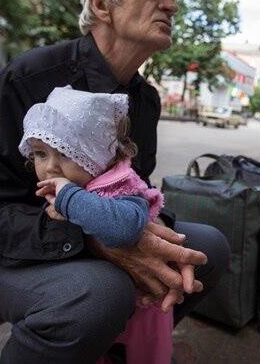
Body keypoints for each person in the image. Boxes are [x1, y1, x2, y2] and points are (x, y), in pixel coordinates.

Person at [0, 0, 230, 364]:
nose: (171, 5)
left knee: (207, 249)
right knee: (98, 296)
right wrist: (91, 238)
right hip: (2, 256)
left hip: (98, 237)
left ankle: (114, 349)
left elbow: (133, 186)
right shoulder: (30, 77)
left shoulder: (143, 100)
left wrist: (149, 231)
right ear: (101, 3)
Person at [22, 85, 174, 364]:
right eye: (41, 154)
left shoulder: (120, 186)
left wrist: (69, 198)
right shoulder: (78, 185)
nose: (50, 167)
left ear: (98, 154)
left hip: (141, 312)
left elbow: (123, 228)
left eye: (66, 153)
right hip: (102, 305)